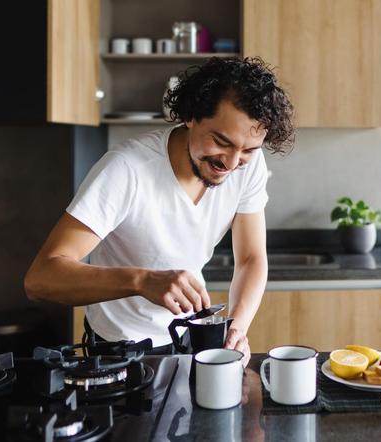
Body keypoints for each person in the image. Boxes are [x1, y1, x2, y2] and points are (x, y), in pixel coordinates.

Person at [24, 57, 294, 366]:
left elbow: (250, 258)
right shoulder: (127, 170)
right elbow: (41, 278)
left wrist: (238, 327)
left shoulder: (249, 167)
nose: (231, 164)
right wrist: (142, 281)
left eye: (247, 150)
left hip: (190, 338)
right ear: (191, 115)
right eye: (221, 142)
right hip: (119, 349)